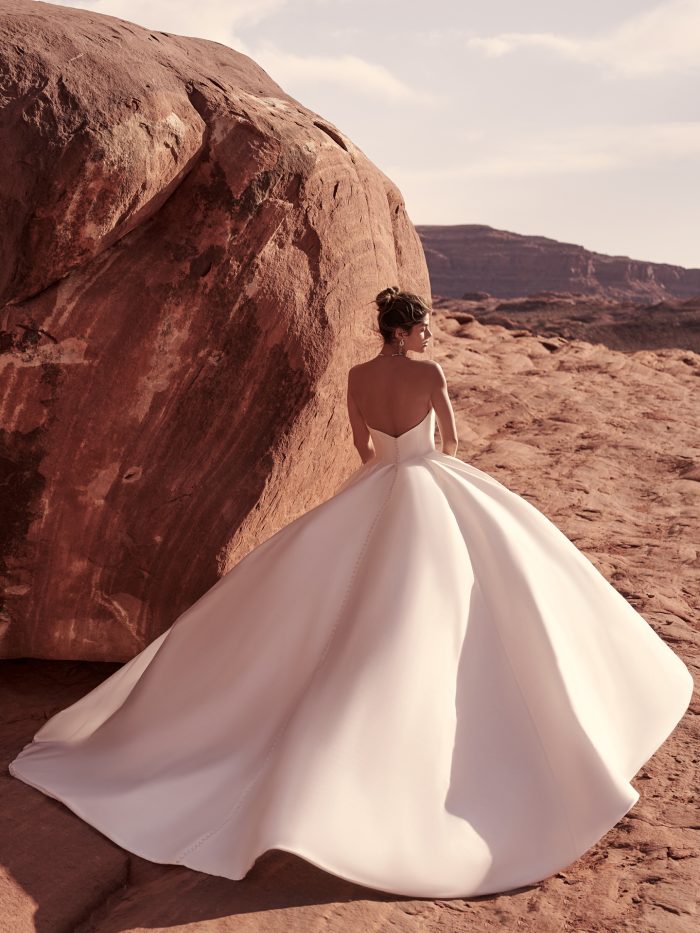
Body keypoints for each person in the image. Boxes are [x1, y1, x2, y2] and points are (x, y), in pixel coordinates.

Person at [9, 287, 694, 899]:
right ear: (403, 331)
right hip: (430, 482)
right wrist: (424, 459)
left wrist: (389, 471)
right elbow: (450, 442)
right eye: (424, 326)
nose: (431, 334)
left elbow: (363, 446)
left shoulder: (358, 375)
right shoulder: (429, 373)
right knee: (466, 598)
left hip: (378, 485)